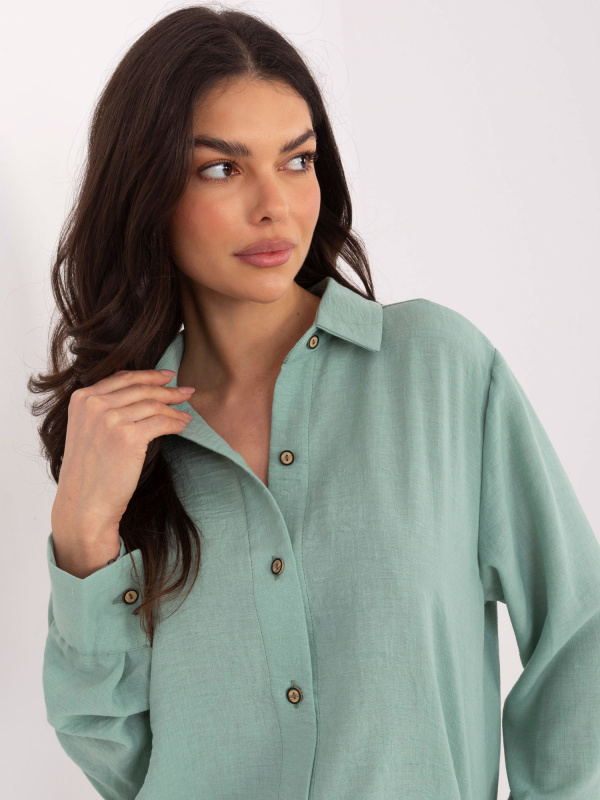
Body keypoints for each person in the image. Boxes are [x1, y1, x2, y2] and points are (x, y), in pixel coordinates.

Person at [31, 6, 600, 800]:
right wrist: (83, 535)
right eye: (222, 169)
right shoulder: (123, 439)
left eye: (297, 161)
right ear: (147, 191)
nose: (275, 205)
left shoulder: (438, 370)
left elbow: (579, 634)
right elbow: (121, 760)